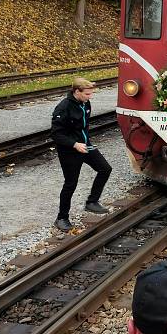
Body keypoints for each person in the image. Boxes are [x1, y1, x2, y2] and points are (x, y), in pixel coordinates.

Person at [51, 77, 112, 231]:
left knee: (105, 169)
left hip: (85, 146)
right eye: (87, 94)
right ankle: (61, 218)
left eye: (91, 94)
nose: (90, 97)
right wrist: (75, 144)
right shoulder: (63, 108)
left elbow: (83, 127)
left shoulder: (85, 103)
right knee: (71, 184)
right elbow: (56, 134)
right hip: (69, 151)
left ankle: (92, 202)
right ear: (76, 91)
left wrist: (85, 142)